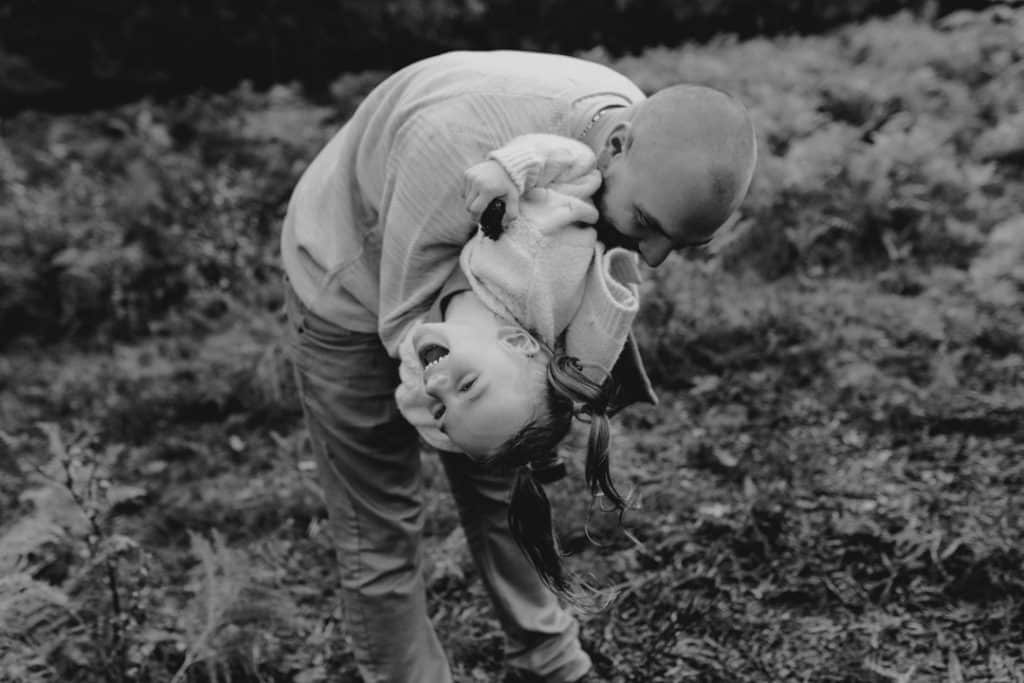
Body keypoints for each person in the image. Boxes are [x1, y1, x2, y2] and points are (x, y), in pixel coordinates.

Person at [280, 50, 756, 683]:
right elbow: (407, 327)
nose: (657, 257)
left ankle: (551, 662)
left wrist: (528, 408)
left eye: (681, 243)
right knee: (380, 528)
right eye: (647, 226)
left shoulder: (638, 140)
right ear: (615, 147)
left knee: (510, 474)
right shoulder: (453, 142)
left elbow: (562, 284)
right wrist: (461, 407)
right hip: (352, 272)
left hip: (484, 288)